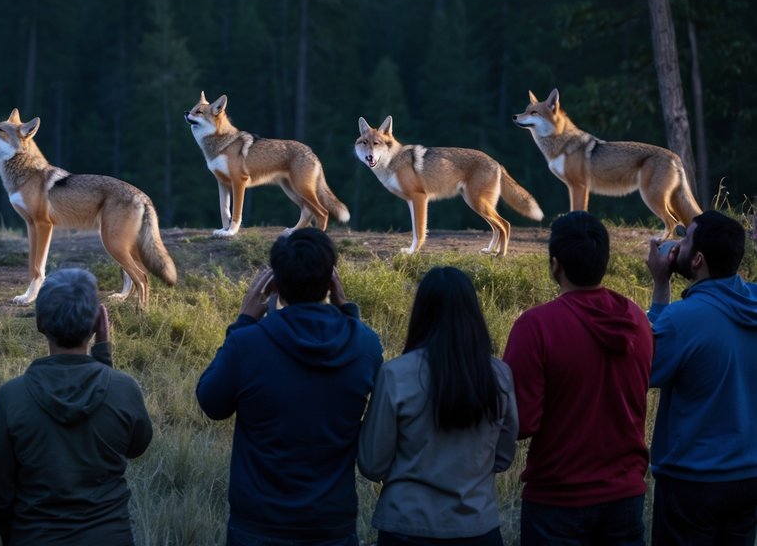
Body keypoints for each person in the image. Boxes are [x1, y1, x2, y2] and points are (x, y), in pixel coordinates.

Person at [196, 227, 384, 546]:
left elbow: (211, 403)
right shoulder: (364, 345)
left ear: (274, 285)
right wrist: (348, 311)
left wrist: (243, 321)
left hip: (258, 526)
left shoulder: (248, 344)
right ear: (331, 282)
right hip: (331, 525)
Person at [501, 211, 653, 546]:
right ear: (604, 260)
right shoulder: (638, 320)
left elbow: (521, 422)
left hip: (557, 500)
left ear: (555, 265)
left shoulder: (536, 326)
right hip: (625, 497)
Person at [0, 268, 152, 545]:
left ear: (40, 322)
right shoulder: (123, 390)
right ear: (98, 322)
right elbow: (136, 446)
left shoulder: (12, 397)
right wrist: (103, 355)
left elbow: (1, 492)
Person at [359, 266, 518, 545]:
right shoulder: (500, 375)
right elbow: (504, 457)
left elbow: (372, 463)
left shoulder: (395, 374)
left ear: (421, 312)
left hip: (406, 527)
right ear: (473, 313)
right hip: (477, 528)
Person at [646, 210, 757, 545]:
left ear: (697, 259)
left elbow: (647, 368)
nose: (676, 245)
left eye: (685, 238)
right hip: (749, 477)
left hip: (691, 480)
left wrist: (660, 285)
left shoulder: (682, 318)